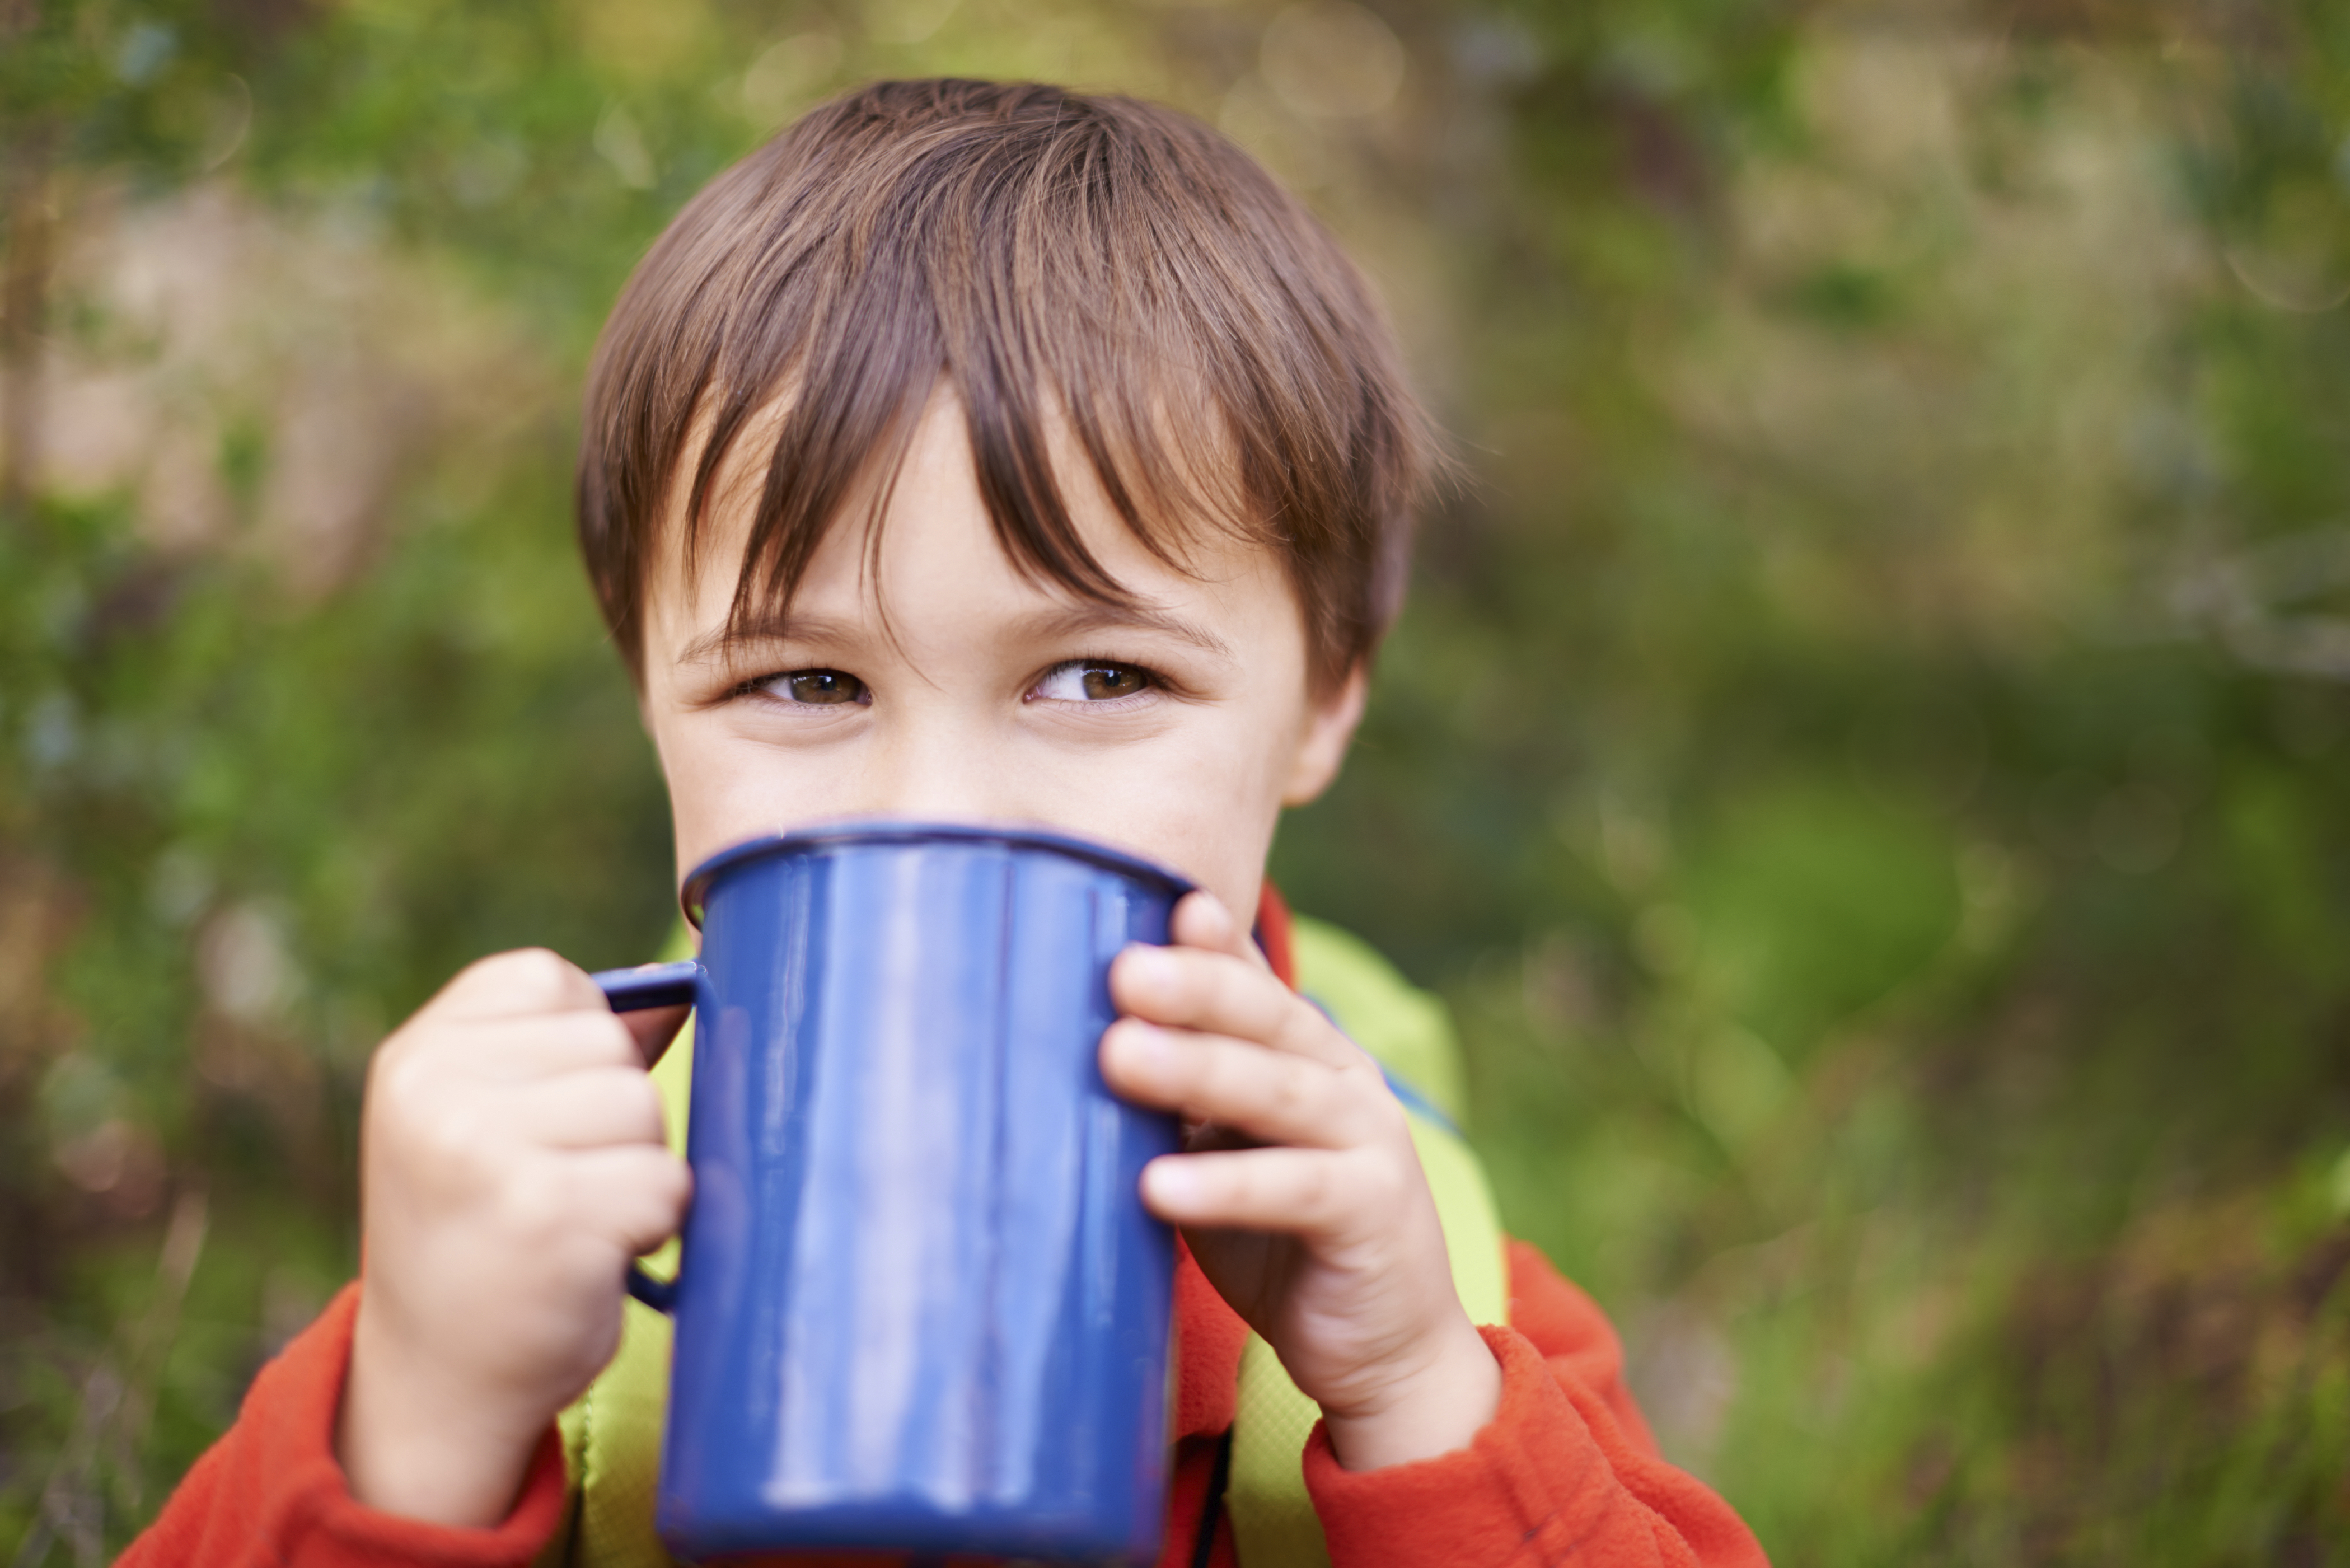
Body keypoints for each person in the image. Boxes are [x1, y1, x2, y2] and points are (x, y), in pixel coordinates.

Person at [120, 79, 1769, 1568]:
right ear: (648, 700)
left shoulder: (1435, 1302)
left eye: (1098, 674)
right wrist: (417, 1422)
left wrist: (1411, 1393)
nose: (937, 811)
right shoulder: (542, 1248)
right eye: (805, 685)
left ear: (1325, 699)